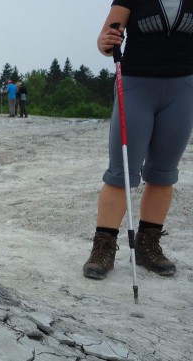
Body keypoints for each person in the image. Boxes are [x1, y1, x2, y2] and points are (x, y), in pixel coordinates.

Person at [83, 0, 193, 280]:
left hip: (183, 88)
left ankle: (147, 246)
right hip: (136, 85)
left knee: (163, 173)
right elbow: (105, 40)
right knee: (122, 172)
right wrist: (106, 40)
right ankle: (103, 248)